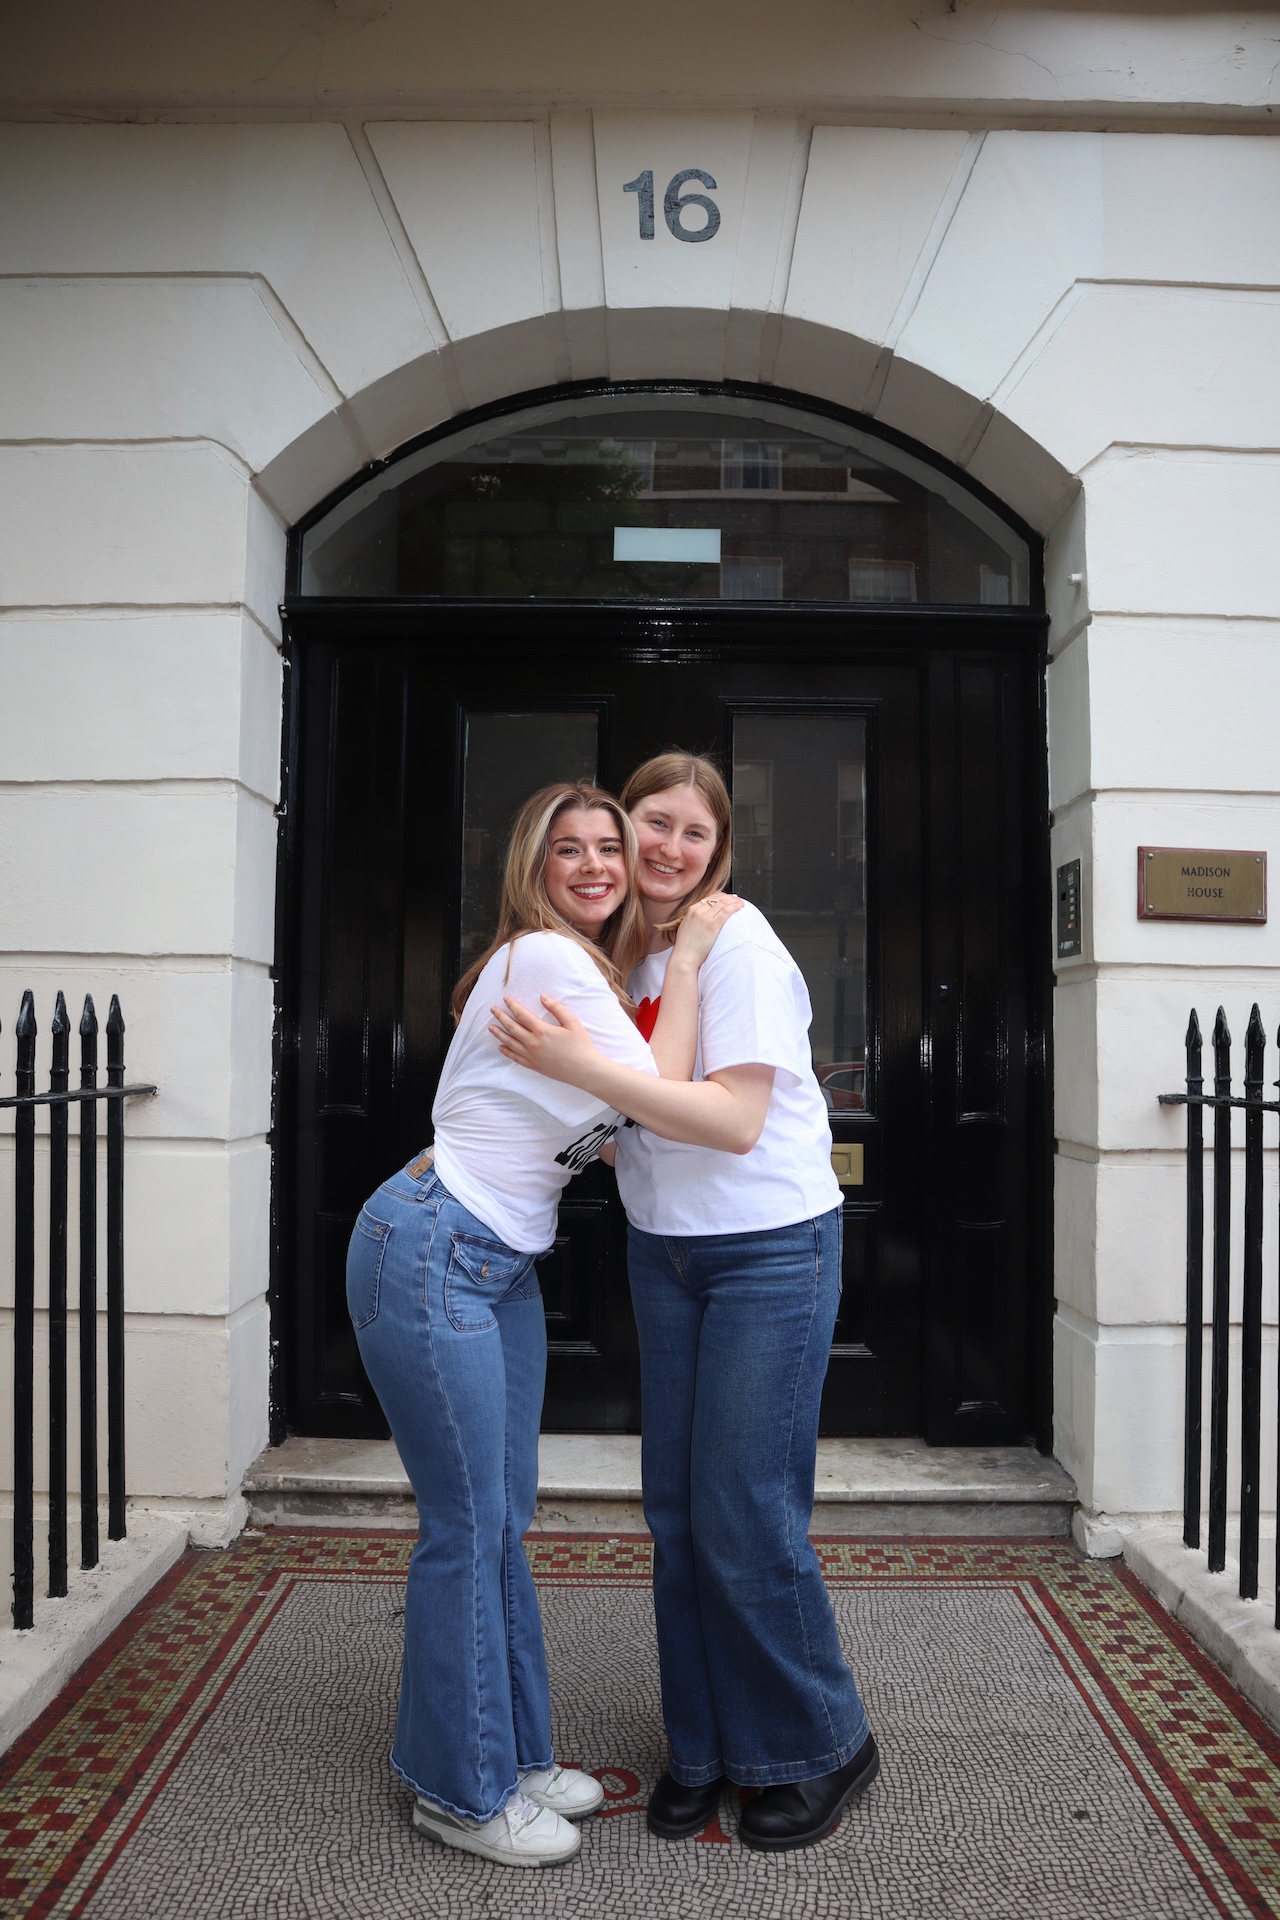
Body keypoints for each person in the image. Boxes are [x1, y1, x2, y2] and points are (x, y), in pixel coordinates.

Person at [490, 752, 879, 1853]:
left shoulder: (736, 944)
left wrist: (594, 1071)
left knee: (745, 1513)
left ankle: (821, 1743)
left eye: (689, 835)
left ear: (717, 851)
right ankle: (704, 1748)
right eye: (648, 825)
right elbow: (619, 1120)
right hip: (664, 1256)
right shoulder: (628, 952)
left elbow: (728, 1121)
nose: (663, 850)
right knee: (675, 1517)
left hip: (767, 1250)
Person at [346, 780, 739, 1868]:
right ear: (534, 867)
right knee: (465, 1531)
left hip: (491, 1261)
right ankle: (457, 1790)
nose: (596, 865)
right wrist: (698, 950)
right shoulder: (549, 958)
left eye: (608, 847)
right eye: (568, 849)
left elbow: (612, 1121)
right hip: (434, 1247)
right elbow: (661, 1088)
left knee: (498, 1519)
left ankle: (511, 1754)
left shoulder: (580, 974)